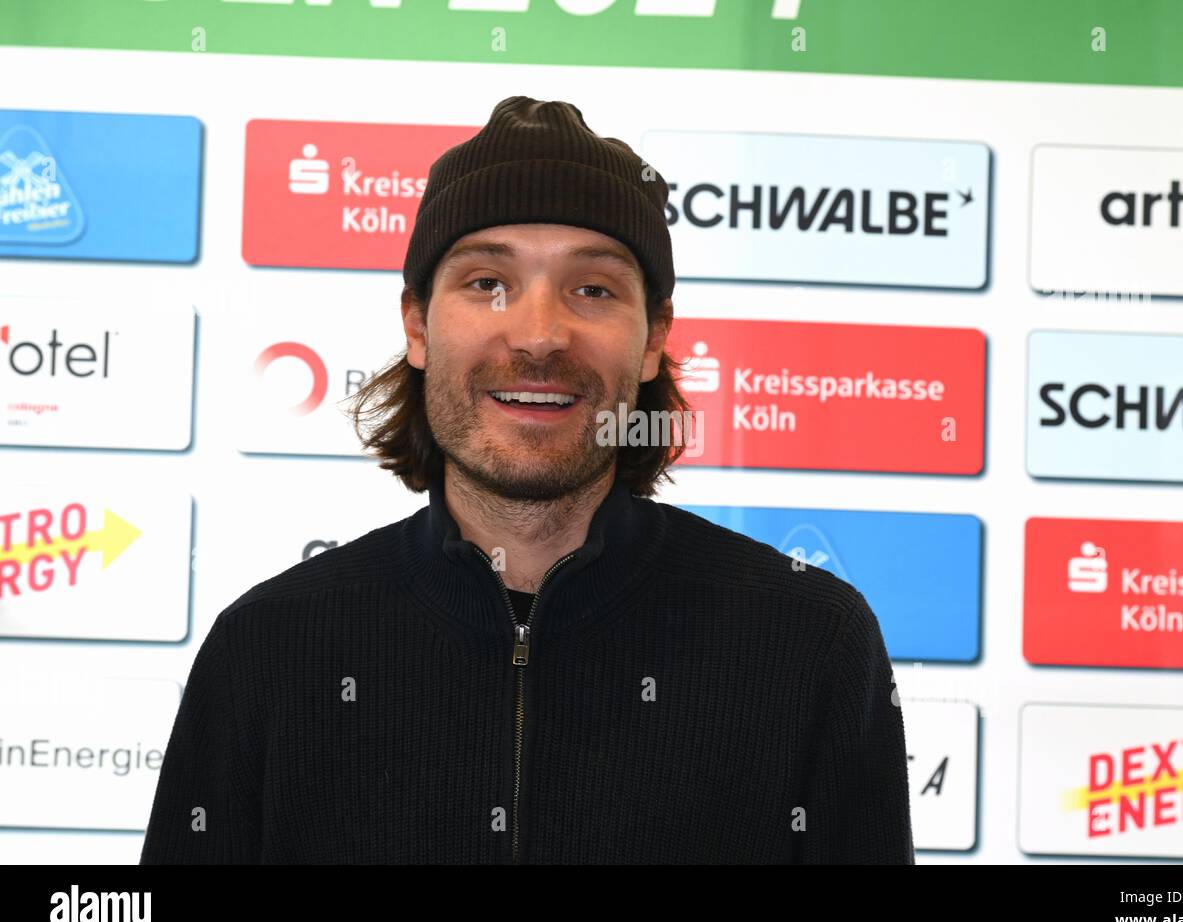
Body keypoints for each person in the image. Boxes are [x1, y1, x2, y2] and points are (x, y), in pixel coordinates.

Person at [140, 95, 914, 864]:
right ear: (417, 325)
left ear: (653, 341)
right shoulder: (270, 648)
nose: (540, 334)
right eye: (487, 283)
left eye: (593, 289)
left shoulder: (811, 644)